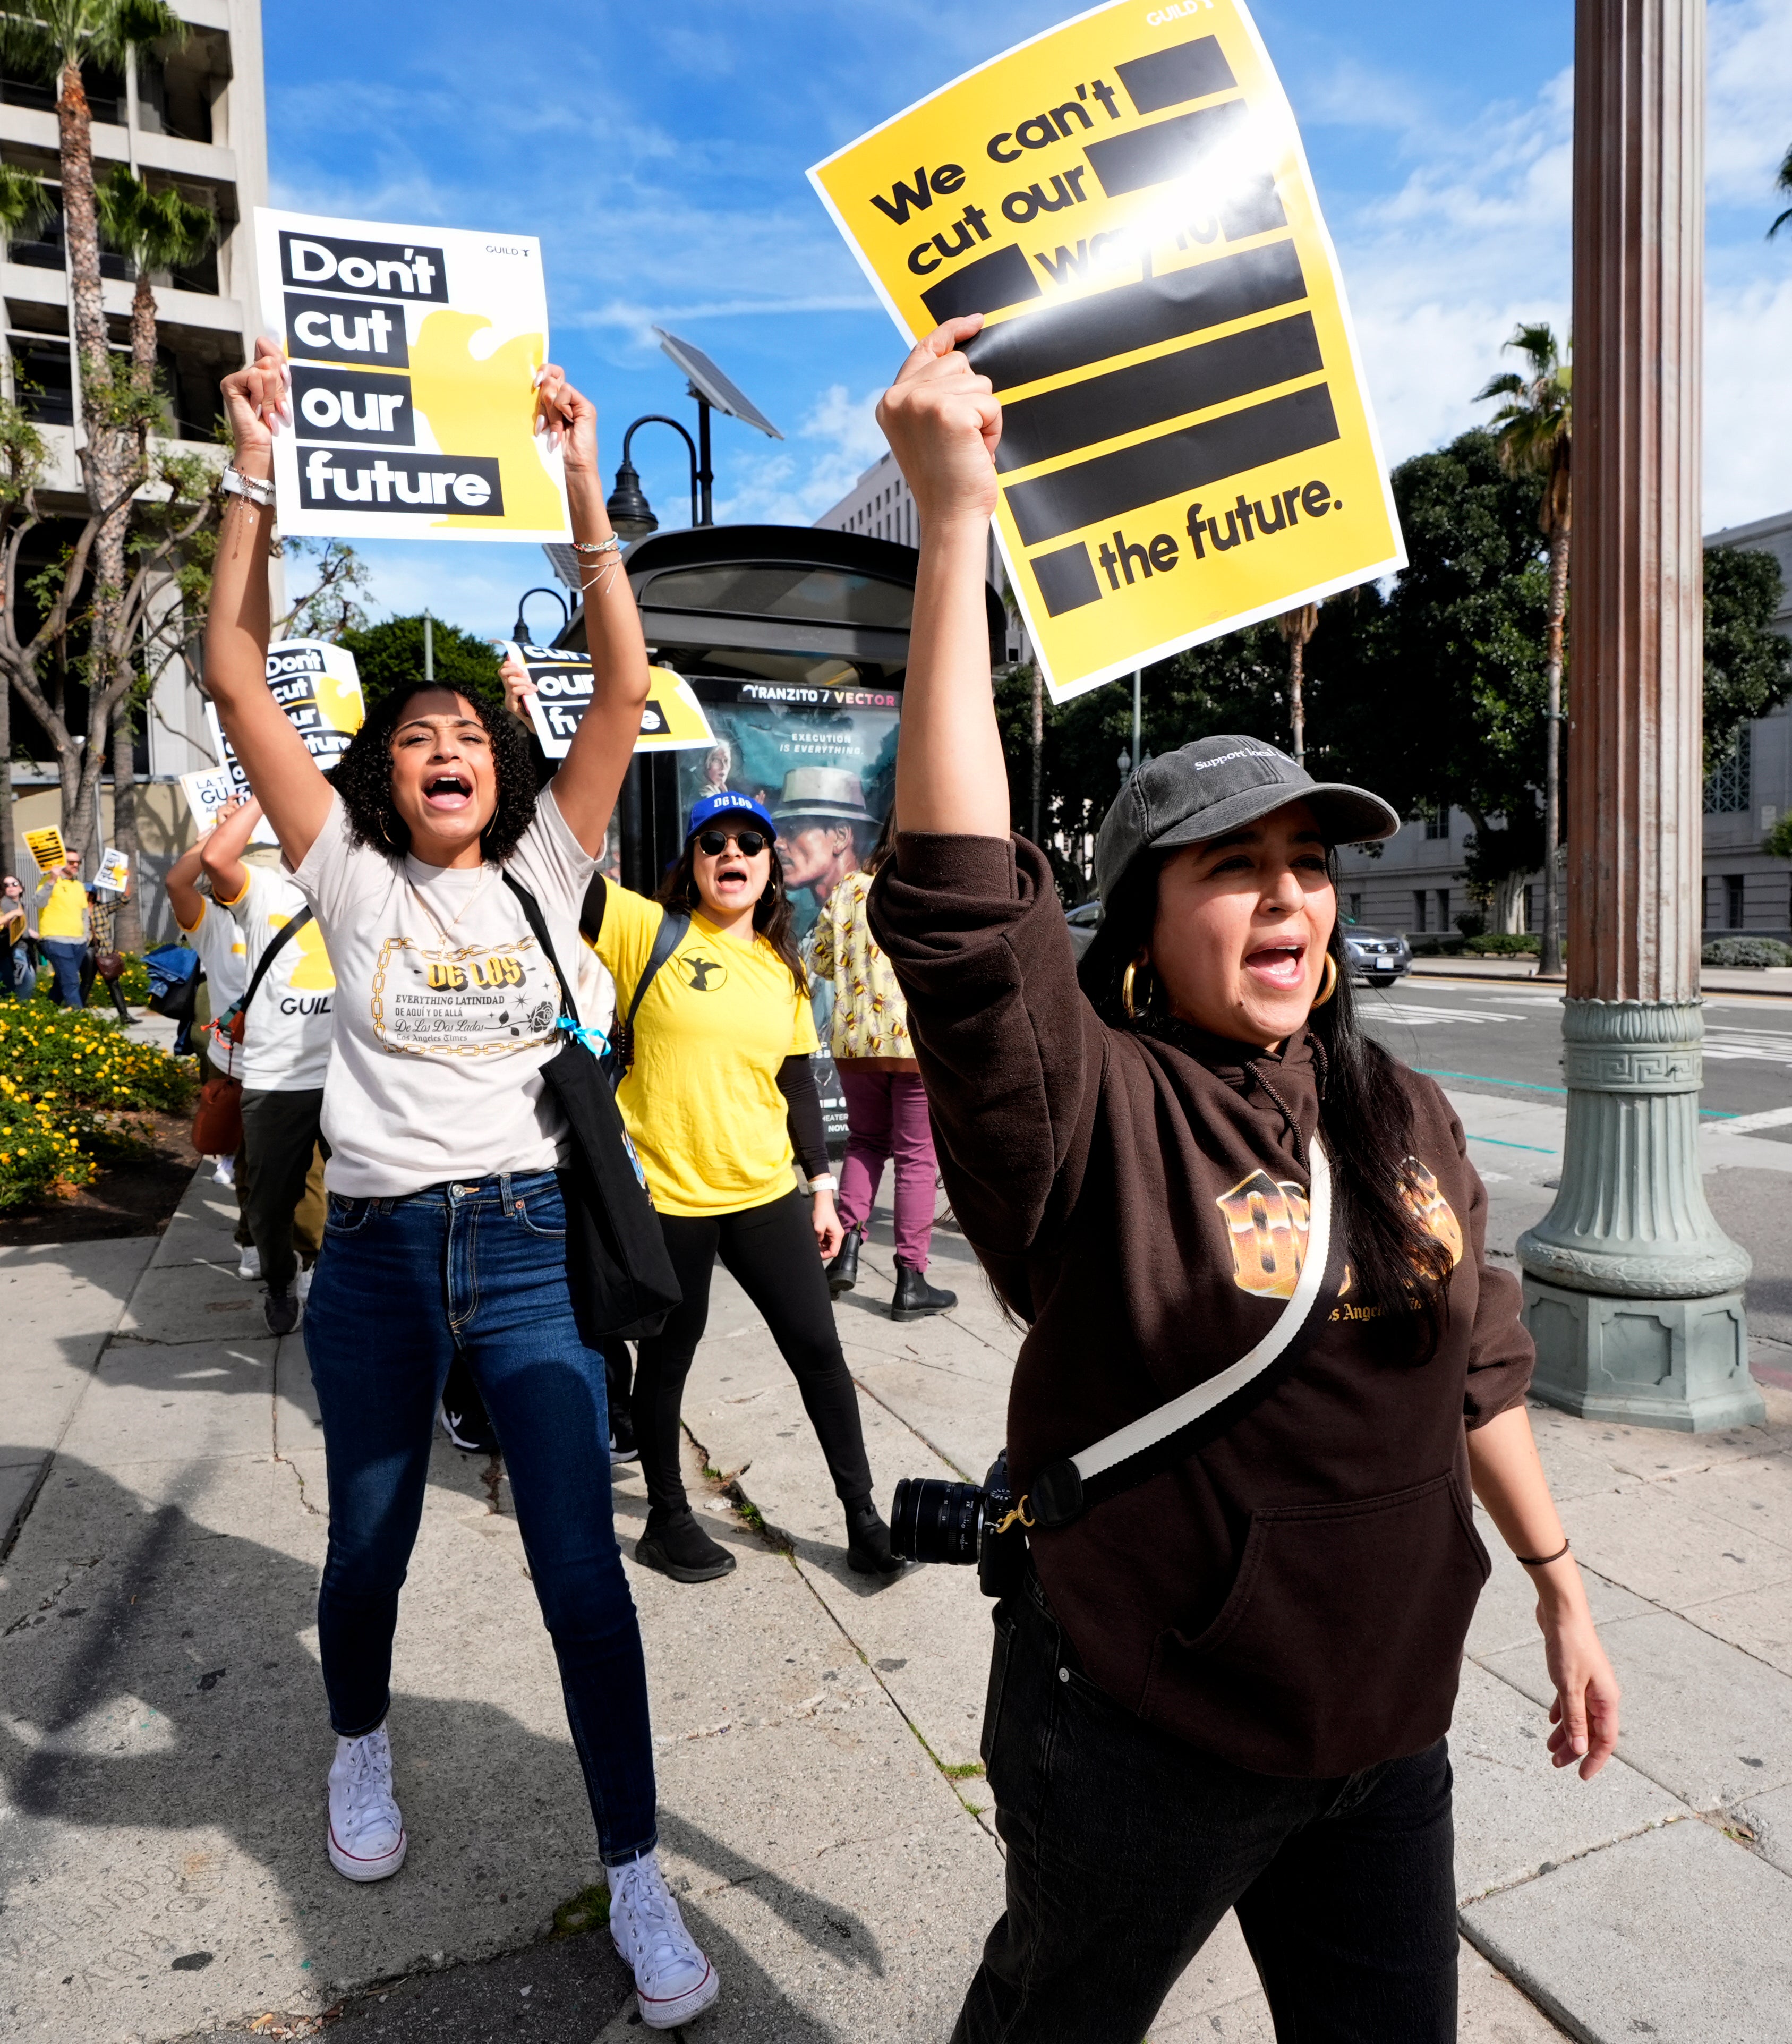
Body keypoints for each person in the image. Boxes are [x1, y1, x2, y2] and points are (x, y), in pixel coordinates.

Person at [867, 318, 1622, 2044]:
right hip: (1139, 1732)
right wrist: (955, 524)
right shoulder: (1093, 1104)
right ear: (1137, 927)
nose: (1289, 898)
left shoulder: (1407, 1107)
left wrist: (1561, 1581)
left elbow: (1479, 1363)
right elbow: (972, 923)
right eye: (1233, 868)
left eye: (1309, 864)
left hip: (1387, 1738)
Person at [202, 339, 717, 2031]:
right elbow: (231, 666)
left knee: (580, 1560)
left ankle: (636, 1873)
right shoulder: (342, 875)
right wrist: (254, 468)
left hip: (516, 1254)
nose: (442, 744)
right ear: (383, 775)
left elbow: (622, 684)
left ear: (500, 777)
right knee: (366, 1545)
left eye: (466, 736)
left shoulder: (547, 869)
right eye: (415, 734)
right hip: (368, 1261)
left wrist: (582, 488)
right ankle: (358, 1743)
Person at [573, 762, 901, 1586]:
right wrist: (535, 735)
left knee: (819, 1352)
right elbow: (558, 861)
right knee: (669, 1361)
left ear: (769, 865)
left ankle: (863, 1516)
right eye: (712, 841)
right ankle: (666, 1517)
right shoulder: (643, 930)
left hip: (764, 1197)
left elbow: (795, 1086)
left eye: (749, 841)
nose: (732, 851)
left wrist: (823, 1189)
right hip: (669, 1200)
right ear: (691, 863)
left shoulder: (784, 970)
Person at [810, 807, 955, 1321]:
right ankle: (910, 1278)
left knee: (866, 1142)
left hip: (854, 1044)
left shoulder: (850, 887)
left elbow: (821, 959)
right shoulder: (932, 891)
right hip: (914, 1043)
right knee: (917, 1155)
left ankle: (846, 1245)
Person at [201, 794, 335, 1335]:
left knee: (370, 1192)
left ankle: (335, 1274)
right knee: (269, 1201)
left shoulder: (360, 882)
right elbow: (214, 862)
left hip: (350, 1073)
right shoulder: (264, 890)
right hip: (278, 1079)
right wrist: (264, 792)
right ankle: (281, 1277)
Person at [165, 802, 260, 1276]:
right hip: (238, 1063)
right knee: (248, 1162)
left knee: (313, 1171)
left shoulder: (304, 912)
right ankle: (253, 1240)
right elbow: (176, 883)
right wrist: (217, 833)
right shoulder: (213, 923)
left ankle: (308, 1256)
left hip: (311, 1061)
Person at [773, 766, 873, 914]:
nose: (778, 843)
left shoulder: (866, 910)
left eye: (793, 829)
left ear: (841, 836)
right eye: (779, 831)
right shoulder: (837, 912)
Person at [34, 852, 89, 1006]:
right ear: (61, 863)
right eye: (71, 862)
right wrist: (52, 879)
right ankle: (81, 1021)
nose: (76, 865)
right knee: (71, 981)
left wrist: (86, 938)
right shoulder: (47, 881)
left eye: (78, 862)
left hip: (79, 942)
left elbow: (85, 915)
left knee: (62, 980)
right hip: (55, 940)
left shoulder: (79, 886)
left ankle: (47, 1014)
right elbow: (38, 902)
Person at [0, 874, 26, 998]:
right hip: (4, 949)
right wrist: (13, 914)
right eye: (7, 885)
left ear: (21, 888)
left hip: (7, 950)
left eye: (14, 884)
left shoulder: (19, 905)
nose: (11, 887)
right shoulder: (5, 903)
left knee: (9, 981)